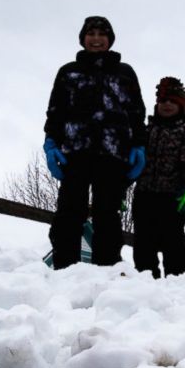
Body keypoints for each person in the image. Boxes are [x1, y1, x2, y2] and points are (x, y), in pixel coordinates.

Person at [43, 15, 147, 268]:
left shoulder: (125, 73)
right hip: (75, 152)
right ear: (83, 38)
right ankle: (64, 266)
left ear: (110, 39)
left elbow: (136, 113)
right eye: (91, 34)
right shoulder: (69, 72)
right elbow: (56, 111)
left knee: (107, 213)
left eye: (102, 34)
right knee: (69, 211)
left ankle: (108, 269)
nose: (97, 39)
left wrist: (139, 146)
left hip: (113, 154)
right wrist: (51, 143)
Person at [132, 76, 185, 277]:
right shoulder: (147, 131)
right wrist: (121, 187)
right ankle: (146, 283)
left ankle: (178, 286)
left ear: (181, 106)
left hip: (172, 199)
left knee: (174, 246)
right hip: (144, 195)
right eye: (163, 101)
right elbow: (133, 161)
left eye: (172, 101)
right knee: (143, 246)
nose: (167, 105)